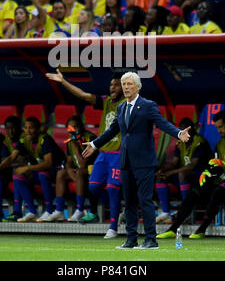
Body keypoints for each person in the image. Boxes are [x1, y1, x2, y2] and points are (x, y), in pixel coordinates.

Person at [82, 72, 191, 249]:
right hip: (125, 161)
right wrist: (94, 144)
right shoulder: (121, 108)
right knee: (129, 201)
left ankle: (150, 240)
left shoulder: (148, 105)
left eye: (129, 84)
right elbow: (112, 131)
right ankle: (131, 239)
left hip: (144, 162)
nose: (125, 87)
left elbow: (162, 123)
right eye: (124, 84)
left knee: (145, 200)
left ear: (138, 87)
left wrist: (178, 133)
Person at [46, 70, 126, 237]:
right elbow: (83, 95)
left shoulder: (128, 103)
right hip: (103, 152)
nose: (112, 87)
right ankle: (118, 209)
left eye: (117, 85)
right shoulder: (105, 101)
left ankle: (113, 227)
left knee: (112, 188)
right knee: (94, 186)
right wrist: (63, 81)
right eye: (111, 84)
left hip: (118, 152)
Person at [157, 110, 225, 239]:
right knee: (195, 190)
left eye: (221, 126)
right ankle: (173, 228)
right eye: (217, 127)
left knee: (217, 191)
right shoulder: (220, 144)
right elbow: (216, 166)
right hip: (221, 180)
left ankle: (202, 229)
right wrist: (208, 172)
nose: (219, 130)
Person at [0, 116, 65, 223]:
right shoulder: (24, 139)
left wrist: (27, 168)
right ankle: (32, 211)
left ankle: (49, 210)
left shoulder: (45, 139)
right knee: (17, 175)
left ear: (38, 129)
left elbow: (48, 163)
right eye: (26, 128)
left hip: (56, 171)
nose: (28, 131)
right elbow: (12, 157)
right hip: (40, 171)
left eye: (31, 128)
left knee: (42, 174)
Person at [155, 118, 212, 224]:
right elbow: (174, 163)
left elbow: (192, 165)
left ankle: (187, 213)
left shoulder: (199, 142)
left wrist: (171, 172)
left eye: (185, 129)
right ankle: (165, 212)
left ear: (192, 129)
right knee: (160, 176)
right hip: (186, 175)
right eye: (181, 130)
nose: (183, 132)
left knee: (182, 174)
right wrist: (162, 170)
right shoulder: (180, 143)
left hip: (201, 176)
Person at [47, 115, 98, 222]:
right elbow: (69, 162)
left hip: (94, 171)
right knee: (61, 173)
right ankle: (59, 211)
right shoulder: (72, 140)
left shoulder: (89, 138)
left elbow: (84, 164)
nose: (73, 130)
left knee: (79, 172)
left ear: (82, 126)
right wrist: (70, 171)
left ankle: (79, 210)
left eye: (76, 127)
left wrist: (76, 146)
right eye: (70, 128)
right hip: (80, 173)